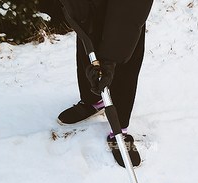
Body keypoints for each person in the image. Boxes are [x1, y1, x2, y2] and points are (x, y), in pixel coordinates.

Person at [57, 0, 153, 165]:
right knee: (89, 54)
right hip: (90, 9)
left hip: (126, 14)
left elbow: (130, 10)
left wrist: (110, 59)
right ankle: (94, 100)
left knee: (123, 62)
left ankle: (119, 129)